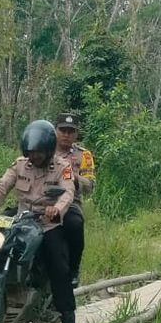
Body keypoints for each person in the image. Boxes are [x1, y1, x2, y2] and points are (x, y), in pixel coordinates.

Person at [0, 120, 90, 323]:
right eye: (30, 152)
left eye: (39, 153)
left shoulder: (62, 165)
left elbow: (67, 193)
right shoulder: (20, 165)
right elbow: (1, 187)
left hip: (48, 222)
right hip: (22, 217)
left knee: (59, 269)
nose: (34, 157)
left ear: (48, 149)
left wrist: (57, 209)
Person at [55, 112, 95, 287]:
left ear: (76, 134)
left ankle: (73, 270)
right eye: (62, 130)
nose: (66, 134)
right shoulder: (44, 148)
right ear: (55, 130)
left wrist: (74, 177)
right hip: (40, 199)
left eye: (70, 131)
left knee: (75, 225)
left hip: (71, 202)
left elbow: (90, 186)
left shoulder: (84, 156)